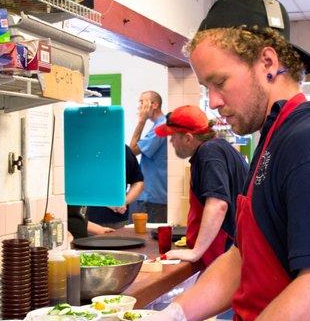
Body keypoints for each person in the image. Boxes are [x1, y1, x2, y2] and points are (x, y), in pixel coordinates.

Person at [113, 0, 310, 321]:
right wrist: (173, 316)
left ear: (268, 61)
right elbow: (242, 257)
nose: (213, 101)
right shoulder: (274, 137)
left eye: (219, 82)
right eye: (206, 88)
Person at [154, 105, 248, 266]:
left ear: (188, 138)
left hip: (222, 255)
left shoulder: (209, 152)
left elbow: (218, 204)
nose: (171, 141)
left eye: (172, 136)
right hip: (224, 252)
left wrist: (195, 251)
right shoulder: (217, 148)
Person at [129, 91, 168, 222]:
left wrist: (141, 121)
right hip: (153, 196)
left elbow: (132, 150)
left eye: (142, 102)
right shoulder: (158, 125)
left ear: (154, 105)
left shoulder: (161, 127)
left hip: (152, 198)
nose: (140, 107)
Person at [86, 145, 144, 229]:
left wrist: (123, 201)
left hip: (117, 219)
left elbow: (138, 182)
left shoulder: (124, 150)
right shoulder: (86, 150)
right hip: (89, 220)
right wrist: (110, 203)